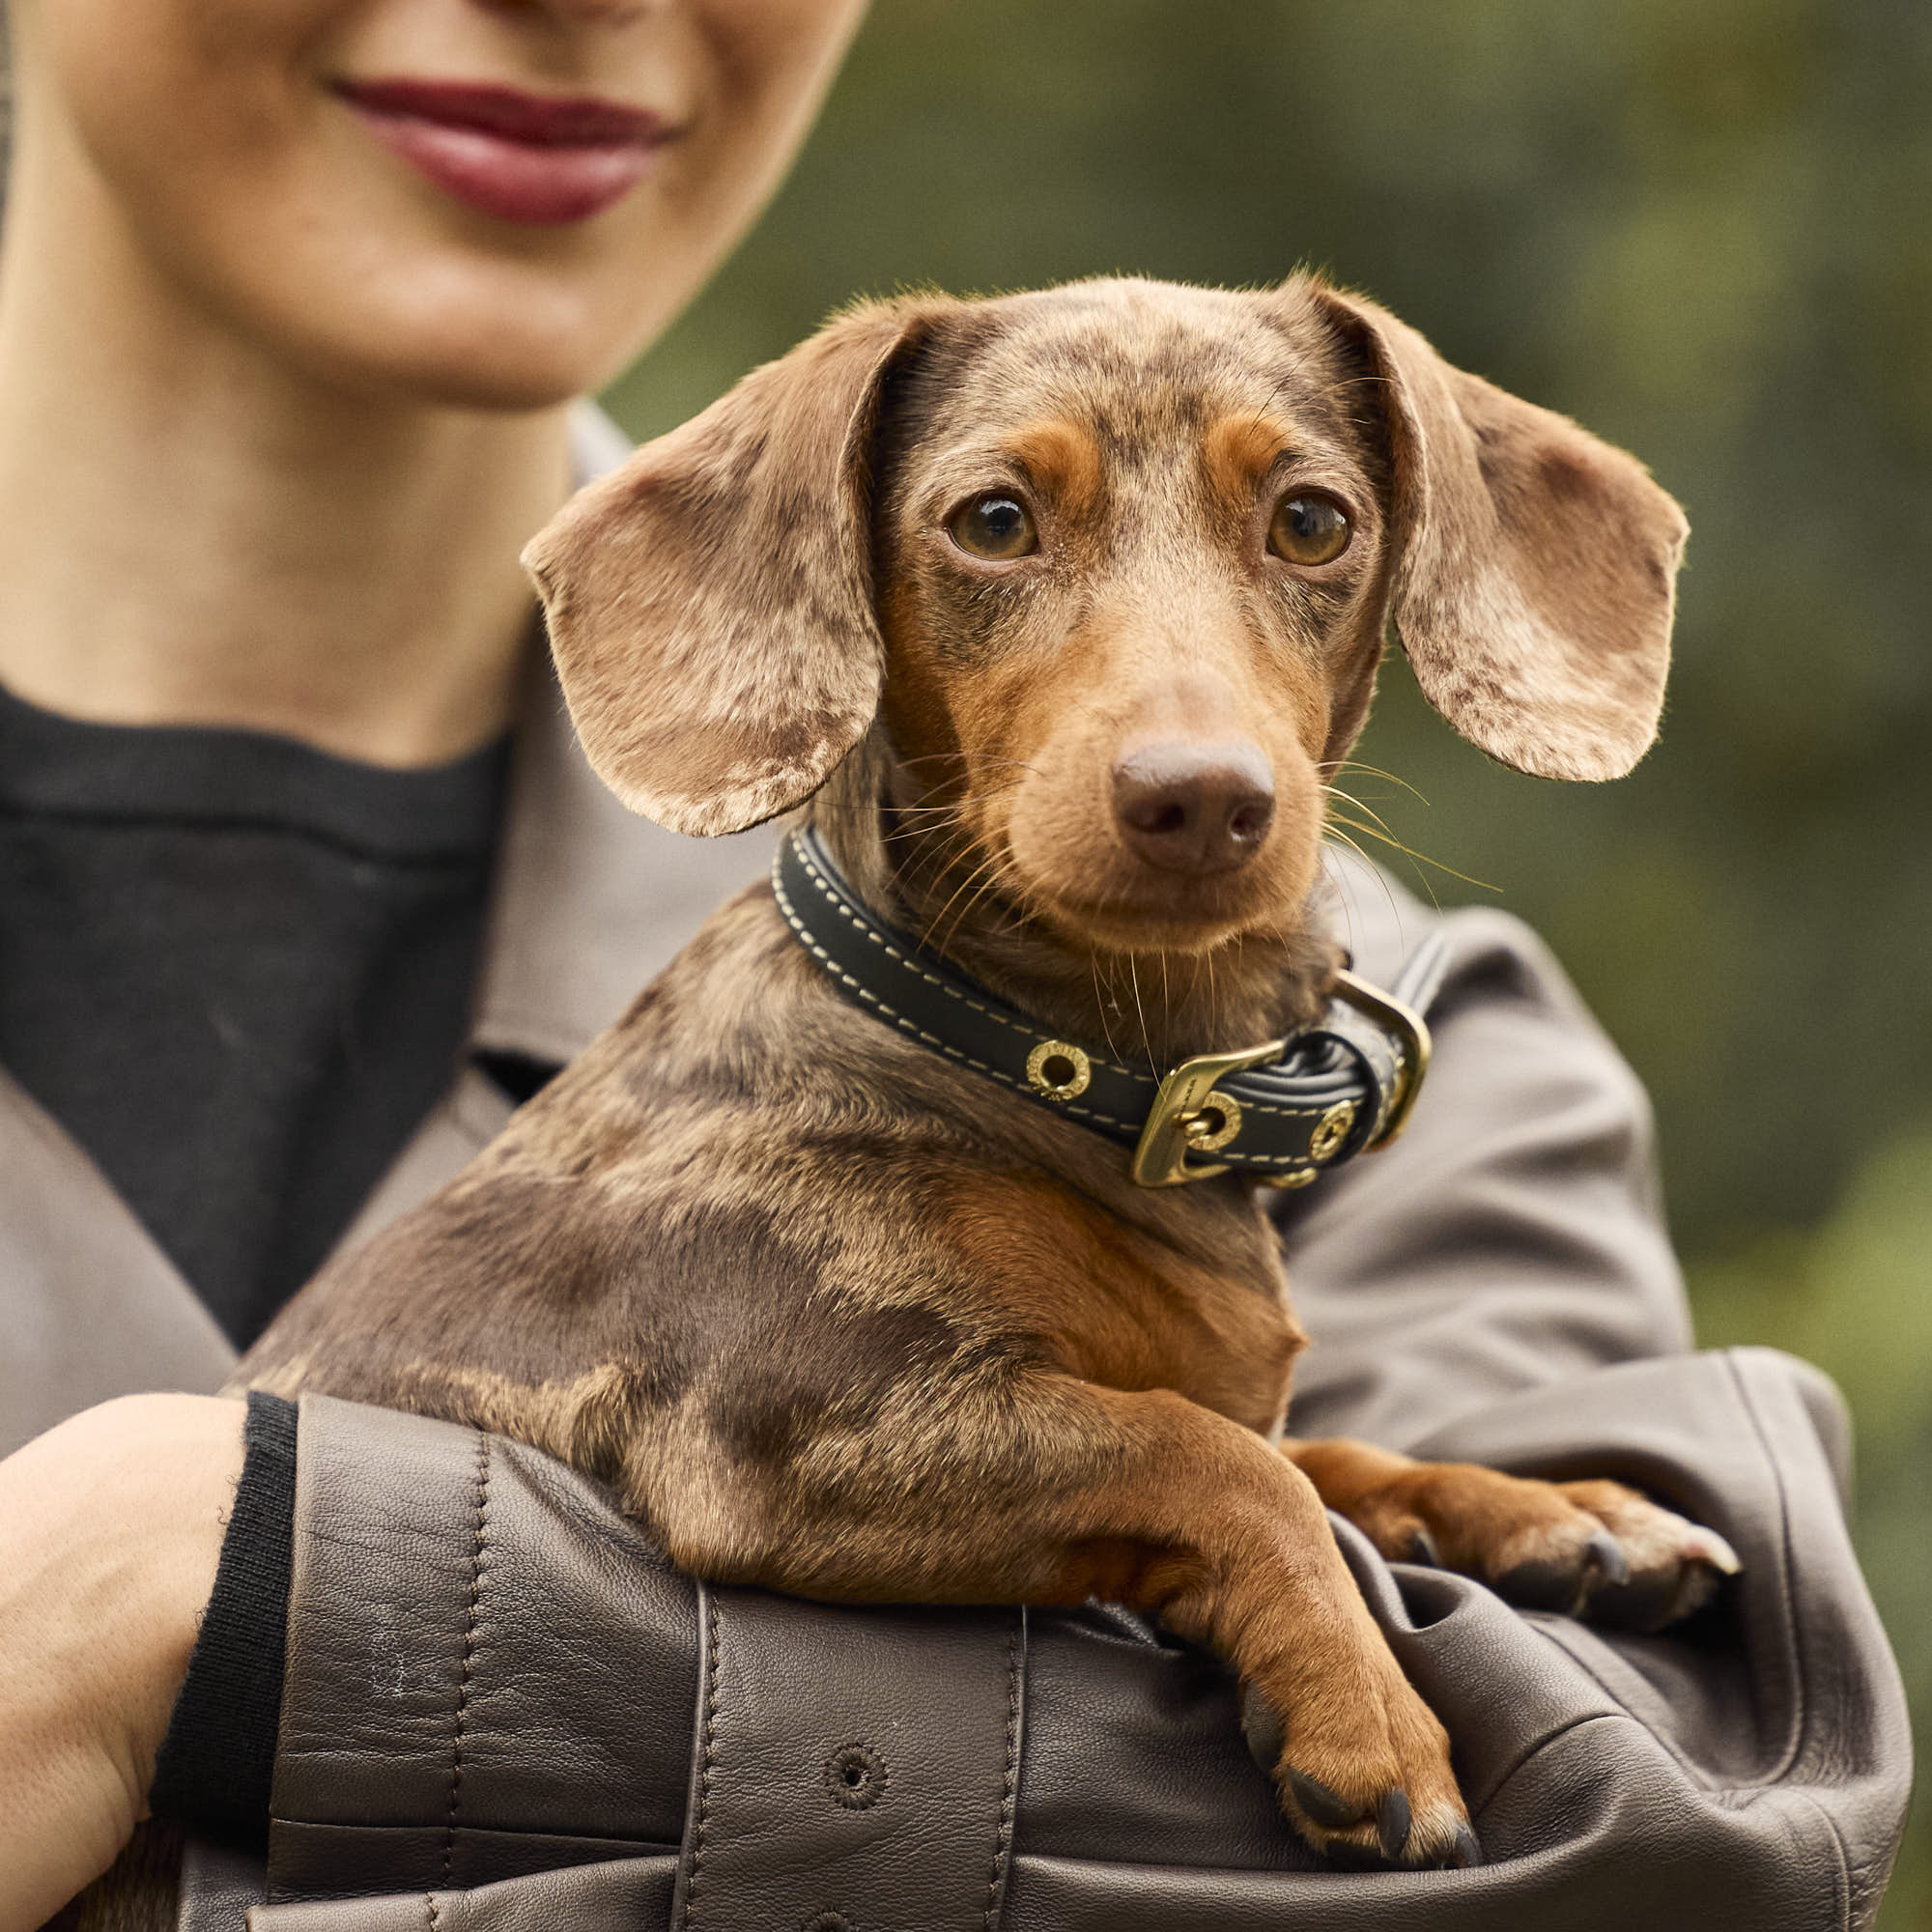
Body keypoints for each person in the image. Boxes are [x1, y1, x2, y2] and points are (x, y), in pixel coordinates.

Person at [0, 2, 1906, 1928]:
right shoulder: (757, 1092)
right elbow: (840, 1461)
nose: (1186, 742)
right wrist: (1211, 1533)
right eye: (997, 524)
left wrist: (225, 1593)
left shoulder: (1416, 1072)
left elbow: (1651, 1832)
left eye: (1306, 524)